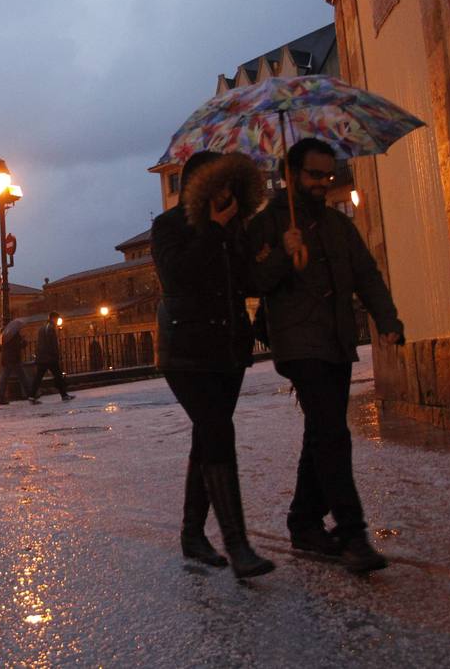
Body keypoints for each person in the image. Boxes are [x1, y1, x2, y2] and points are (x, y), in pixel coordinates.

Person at [248, 137, 403, 573]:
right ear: (293, 174)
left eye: (328, 174)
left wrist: (388, 321)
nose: (323, 182)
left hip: (336, 341)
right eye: (315, 174)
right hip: (299, 343)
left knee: (321, 432)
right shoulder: (268, 224)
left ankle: (303, 521)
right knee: (333, 434)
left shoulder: (338, 226)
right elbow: (251, 279)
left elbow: (366, 275)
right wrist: (283, 252)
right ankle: (352, 533)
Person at [152, 150, 274, 578]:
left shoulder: (234, 230)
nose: (223, 192)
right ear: (198, 185)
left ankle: (192, 535)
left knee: (208, 437)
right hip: (185, 353)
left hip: (228, 350)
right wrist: (215, 232)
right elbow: (178, 275)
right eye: (215, 183)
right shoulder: (169, 227)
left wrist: (272, 257)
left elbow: (249, 284)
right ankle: (237, 545)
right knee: (218, 432)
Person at [31, 311, 73, 404]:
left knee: (38, 377)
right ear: (54, 318)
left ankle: (31, 395)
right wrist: (56, 354)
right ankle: (64, 395)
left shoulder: (42, 328)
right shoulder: (50, 328)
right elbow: (52, 344)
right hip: (49, 357)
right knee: (58, 376)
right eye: (57, 319)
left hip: (42, 356)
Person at [0, 320, 25, 405]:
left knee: (3, 380)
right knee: (23, 378)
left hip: (6, 359)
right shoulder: (13, 334)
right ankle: (31, 395)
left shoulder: (3, 335)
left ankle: (0, 398)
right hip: (14, 359)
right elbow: (17, 346)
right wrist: (23, 342)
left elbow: (1, 348)